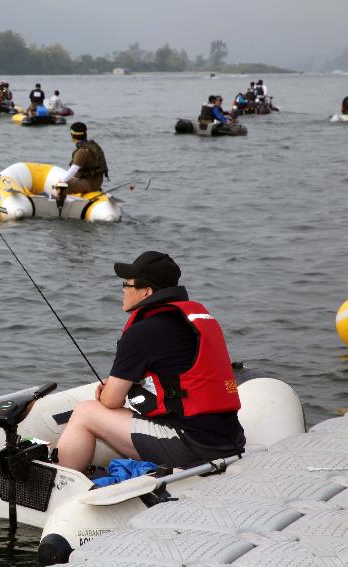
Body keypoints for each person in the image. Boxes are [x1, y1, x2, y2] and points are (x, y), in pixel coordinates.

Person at [54, 251, 245, 472]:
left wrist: (108, 391)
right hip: (230, 440)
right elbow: (178, 378)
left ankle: (61, 485)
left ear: (146, 291)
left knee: (86, 412)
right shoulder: (191, 322)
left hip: (193, 447)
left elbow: (111, 401)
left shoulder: (143, 332)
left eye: (127, 284)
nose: (123, 289)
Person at [52, 122, 109, 199]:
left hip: (89, 184)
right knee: (69, 179)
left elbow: (73, 170)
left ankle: (60, 203)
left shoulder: (82, 151)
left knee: (61, 186)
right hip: (97, 182)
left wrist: (60, 182)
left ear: (72, 136)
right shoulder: (93, 145)